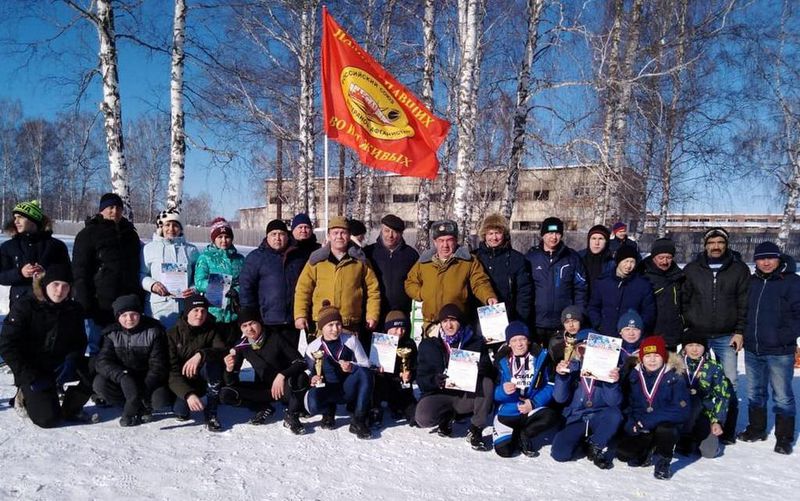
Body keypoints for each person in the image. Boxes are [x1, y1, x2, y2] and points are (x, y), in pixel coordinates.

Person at [0, 265, 93, 428]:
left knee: (96, 369)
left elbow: (79, 341)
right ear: (44, 285)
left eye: (65, 286)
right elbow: (7, 345)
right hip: (33, 369)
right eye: (55, 284)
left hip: (60, 363)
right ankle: (22, 395)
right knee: (47, 419)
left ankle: (71, 408)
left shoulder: (74, 309)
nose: (60, 290)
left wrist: (72, 359)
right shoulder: (25, 306)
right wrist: (28, 376)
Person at [682, 227, 749, 443]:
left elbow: (743, 303)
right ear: (705, 245)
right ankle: (693, 425)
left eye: (720, 242)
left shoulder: (738, 270)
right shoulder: (692, 269)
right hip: (697, 334)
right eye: (712, 243)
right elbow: (685, 299)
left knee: (729, 381)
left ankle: (727, 429)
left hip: (725, 335)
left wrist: (739, 331)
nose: (716, 246)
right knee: (692, 380)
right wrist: (687, 327)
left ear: (726, 244)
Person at [738, 241, 799, 455]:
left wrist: (783, 336)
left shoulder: (791, 282)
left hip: (780, 350)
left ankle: (784, 437)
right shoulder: (752, 282)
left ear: (778, 259)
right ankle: (756, 429)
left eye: (770, 258)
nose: (766, 262)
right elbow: (744, 310)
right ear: (755, 260)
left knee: (782, 394)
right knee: (755, 392)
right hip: (753, 348)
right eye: (761, 258)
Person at [415, 304, 495, 451]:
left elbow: (489, 370)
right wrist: (434, 380)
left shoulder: (475, 342)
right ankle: (447, 416)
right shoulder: (428, 345)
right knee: (422, 417)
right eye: (444, 321)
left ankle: (476, 429)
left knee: (487, 383)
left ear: (460, 322)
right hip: (441, 394)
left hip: (465, 395)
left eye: (453, 320)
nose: (449, 325)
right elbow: (421, 379)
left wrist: (478, 368)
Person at [294, 216, 381, 349]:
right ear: (329, 235)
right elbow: (303, 290)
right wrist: (300, 315)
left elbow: (373, 290)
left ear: (349, 235)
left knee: (349, 365)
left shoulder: (360, 262)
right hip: (321, 325)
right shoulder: (316, 261)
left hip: (349, 325)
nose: (339, 236)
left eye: (343, 233)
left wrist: (372, 315)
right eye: (335, 233)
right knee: (321, 366)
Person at [72, 192, 142, 355]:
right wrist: (84, 302)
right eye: (110, 207)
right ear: (101, 210)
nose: (114, 211)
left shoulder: (130, 234)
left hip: (126, 301)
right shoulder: (88, 234)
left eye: (118, 208)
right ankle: (95, 378)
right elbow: (80, 271)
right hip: (100, 301)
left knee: (124, 345)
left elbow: (137, 267)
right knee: (97, 344)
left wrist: (138, 296)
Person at [220, 307, 308, 434]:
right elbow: (231, 382)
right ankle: (263, 407)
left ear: (259, 322)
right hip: (264, 390)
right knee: (226, 393)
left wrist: (282, 375)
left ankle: (292, 415)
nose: (249, 329)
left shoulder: (275, 337)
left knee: (301, 378)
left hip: (284, 388)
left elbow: (301, 362)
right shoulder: (242, 345)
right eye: (244, 326)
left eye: (252, 323)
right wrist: (229, 369)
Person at [616, 336, 690, 480]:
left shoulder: (675, 377)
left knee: (666, 430)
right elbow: (628, 405)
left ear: (663, 357)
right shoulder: (633, 376)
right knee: (624, 454)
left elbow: (682, 410)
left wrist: (651, 419)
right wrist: (631, 424)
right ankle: (649, 450)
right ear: (642, 358)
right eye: (648, 356)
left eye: (656, 355)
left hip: (664, 425)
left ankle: (663, 461)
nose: (652, 360)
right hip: (642, 426)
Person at [93, 294, 171, 426]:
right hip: (123, 379)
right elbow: (103, 361)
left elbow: (158, 365)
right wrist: (122, 376)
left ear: (140, 314)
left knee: (160, 399)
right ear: (118, 317)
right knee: (100, 384)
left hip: (148, 380)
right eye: (124, 315)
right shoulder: (112, 333)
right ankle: (130, 403)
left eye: (133, 314)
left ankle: (140, 404)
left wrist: (143, 389)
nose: (129, 319)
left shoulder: (154, 331)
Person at [551, 329, 622, 469]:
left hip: (599, 416)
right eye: (583, 349)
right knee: (559, 454)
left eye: (592, 349)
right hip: (577, 418)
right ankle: (582, 443)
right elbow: (559, 398)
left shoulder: (608, 370)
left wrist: (611, 382)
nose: (587, 353)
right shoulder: (570, 368)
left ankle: (595, 445)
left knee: (615, 414)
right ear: (577, 351)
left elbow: (613, 402)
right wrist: (562, 377)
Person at [405, 220, 497, 327]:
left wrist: (488, 296)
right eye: (441, 240)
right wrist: (421, 293)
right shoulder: (424, 262)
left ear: (456, 240)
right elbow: (410, 282)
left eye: (449, 240)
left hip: (457, 323)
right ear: (435, 242)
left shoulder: (468, 261)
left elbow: (480, 282)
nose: (445, 245)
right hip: (431, 324)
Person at [304, 301, 374, 439]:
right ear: (321, 327)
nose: (335, 329)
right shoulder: (313, 347)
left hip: (347, 387)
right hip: (327, 388)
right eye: (330, 325)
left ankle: (358, 419)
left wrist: (352, 366)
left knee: (365, 373)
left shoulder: (351, 340)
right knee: (311, 406)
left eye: (338, 324)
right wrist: (312, 378)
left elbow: (366, 364)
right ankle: (328, 410)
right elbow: (308, 372)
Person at [493, 321, 560, 458]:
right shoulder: (500, 361)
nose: (519, 344)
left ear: (528, 341)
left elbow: (551, 385)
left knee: (551, 416)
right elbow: (492, 391)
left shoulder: (541, 357)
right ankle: (514, 433)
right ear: (508, 343)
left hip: (531, 407)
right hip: (508, 410)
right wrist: (502, 391)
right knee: (504, 451)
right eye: (514, 340)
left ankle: (525, 434)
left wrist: (533, 403)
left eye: (522, 339)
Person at [239, 219, 306, 347]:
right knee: (269, 360)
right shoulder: (256, 258)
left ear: (287, 236)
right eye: (273, 234)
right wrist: (250, 315)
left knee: (290, 360)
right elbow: (246, 287)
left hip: (290, 321)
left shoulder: (297, 257)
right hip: (266, 321)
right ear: (267, 237)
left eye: (281, 234)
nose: (278, 238)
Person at [166, 294, 227, 432]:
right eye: (196, 310)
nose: (200, 314)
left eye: (203, 311)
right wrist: (188, 394)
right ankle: (186, 399)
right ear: (187, 312)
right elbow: (171, 371)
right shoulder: (172, 334)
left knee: (214, 364)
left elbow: (221, 350)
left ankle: (211, 411)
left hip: (204, 375)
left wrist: (201, 354)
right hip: (182, 381)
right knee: (180, 412)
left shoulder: (212, 329)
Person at [526, 216, 587, 345]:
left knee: (561, 361)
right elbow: (524, 290)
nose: (553, 237)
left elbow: (581, 289)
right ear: (543, 235)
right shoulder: (531, 258)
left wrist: (577, 316)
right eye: (549, 233)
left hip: (563, 322)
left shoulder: (572, 258)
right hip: (537, 322)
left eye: (557, 233)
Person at [0, 200, 70, 309]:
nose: (16, 221)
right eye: (15, 218)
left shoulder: (56, 246)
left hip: (51, 307)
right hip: (19, 307)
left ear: (34, 220)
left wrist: (46, 274)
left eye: (21, 217)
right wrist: (20, 273)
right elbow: (2, 276)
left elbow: (67, 275)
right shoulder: (8, 247)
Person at [139, 208, 200, 330]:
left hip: (184, 307)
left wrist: (193, 289)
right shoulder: (149, 249)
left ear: (181, 228)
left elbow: (198, 277)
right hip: (158, 307)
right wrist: (152, 285)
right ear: (161, 227)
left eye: (175, 225)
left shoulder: (191, 250)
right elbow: (140, 274)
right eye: (167, 225)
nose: (171, 229)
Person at [676, 333, 732, 458]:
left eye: (698, 345)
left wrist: (717, 421)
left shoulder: (713, 367)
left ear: (705, 347)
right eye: (690, 345)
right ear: (685, 347)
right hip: (678, 413)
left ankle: (694, 438)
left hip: (704, 414)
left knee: (709, 452)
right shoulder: (675, 365)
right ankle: (683, 437)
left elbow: (722, 396)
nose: (694, 349)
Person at [193, 217, 245, 346]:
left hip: (233, 313)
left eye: (227, 237)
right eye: (220, 237)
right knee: (215, 352)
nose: (224, 240)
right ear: (214, 238)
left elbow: (244, 282)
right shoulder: (205, 258)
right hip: (213, 314)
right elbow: (200, 282)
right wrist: (223, 288)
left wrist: (236, 290)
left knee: (232, 353)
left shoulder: (239, 259)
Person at [472, 213, 532, 324]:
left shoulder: (517, 259)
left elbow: (524, 294)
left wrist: (520, 321)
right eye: (490, 233)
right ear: (484, 235)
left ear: (504, 234)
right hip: (478, 319)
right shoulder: (474, 258)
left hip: (509, 317)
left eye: (498, 233)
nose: (494, 238)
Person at [587, 245, 655, 337]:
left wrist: (638, 328)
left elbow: (649, 312)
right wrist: (599, 325)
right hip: (606, 334)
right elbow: (593, 307)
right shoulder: (603, 282)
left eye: (632, 262)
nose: (629, 265)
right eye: (626, 261)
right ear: (618, 261)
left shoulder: (643, 285)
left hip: (631, 337)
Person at [364, 214, 419, 322]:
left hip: (400, 314)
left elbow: (415, 281)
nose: (390, 235)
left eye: (395, 232)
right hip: (374, 314)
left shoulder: (411, 255)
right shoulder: (369, 252)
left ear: (401, 234)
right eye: (386, 231)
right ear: (381, 231)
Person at [368, 310, 418, 427]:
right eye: (395, 328)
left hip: (401, 385)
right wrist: (375, 369)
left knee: (415, 415)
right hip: (383, 383)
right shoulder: (379, 341)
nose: (400, 332)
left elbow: (416, 366)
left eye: (403, 328)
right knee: (377, 380)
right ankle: (376, 408)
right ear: (387, 328)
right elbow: (369, 365)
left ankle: (402, 407)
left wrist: (410, 375)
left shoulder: (409, 344)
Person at [637, 238, 684, 351]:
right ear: (653, 257)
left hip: (671, 336)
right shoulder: (642, 275)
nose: (665, 261)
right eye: (661, 258)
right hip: (649, 334)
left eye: (668, 258)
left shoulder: (679, 276)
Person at [578, 224, 614, 297]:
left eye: (601, 239)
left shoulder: (612, 263)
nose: (596, 243)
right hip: (581, 303)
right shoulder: (578, 258)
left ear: (606, 241)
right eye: (593, 238)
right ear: (589, 240)